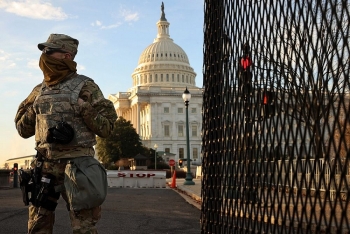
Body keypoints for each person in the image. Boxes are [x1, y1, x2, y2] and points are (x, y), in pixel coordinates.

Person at [15, 33, 118, 234]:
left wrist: (84, 108)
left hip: (79, 168)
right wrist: (34, 109)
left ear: (67, 56)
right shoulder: (39, 91)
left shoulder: (86, 86)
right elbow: (22, 130)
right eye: (44, 51)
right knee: (37, 227)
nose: (45, 56)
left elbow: (107, 127)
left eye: (50, 51)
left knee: (84, 228)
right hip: (45, 168)